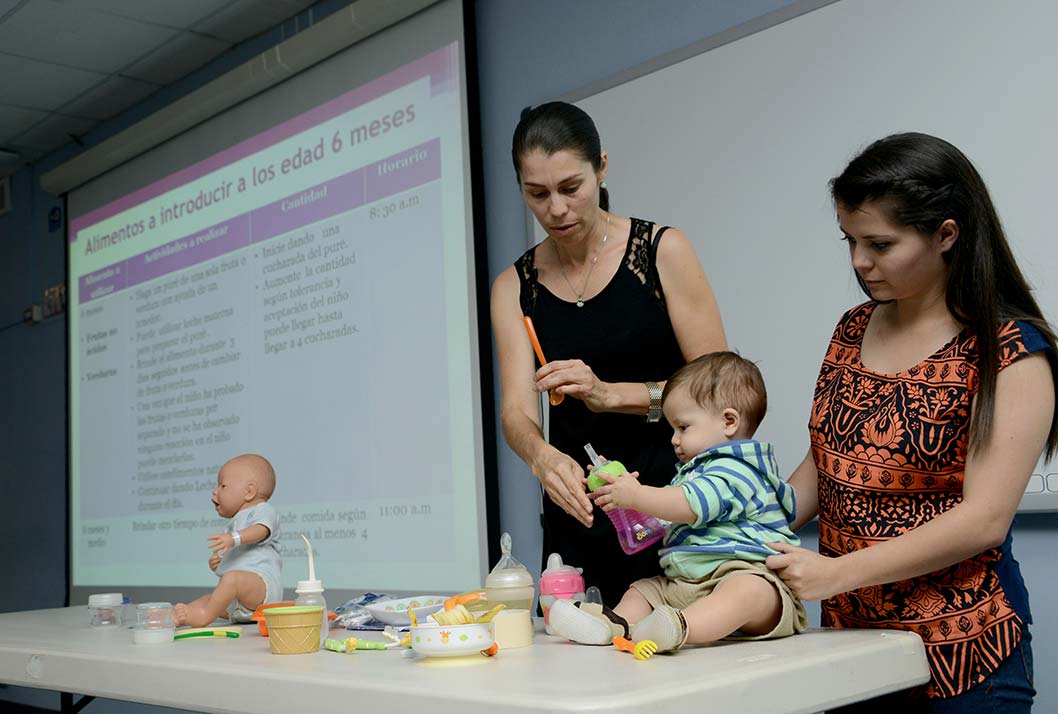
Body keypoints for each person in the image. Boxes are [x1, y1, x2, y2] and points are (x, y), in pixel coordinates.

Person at [765, 133, 1057, 711]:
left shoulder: (1010, 352)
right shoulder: (853, 327)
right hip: (852, 647)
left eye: (879, 244)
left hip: (962, 656)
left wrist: (834, 574)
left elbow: (983, 521)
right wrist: (725, 520)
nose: (858, 262)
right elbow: (824, 467)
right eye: (849, 241)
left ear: (946, 235)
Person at [491, 101, 727, 603]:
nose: (556, 209)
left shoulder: (663, 251)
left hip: (674, 504)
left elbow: (720, 395)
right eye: (537, 194)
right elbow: (515, 409)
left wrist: (610, 394)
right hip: (580, 508)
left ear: (601, 166)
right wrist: (541, 457)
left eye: (570, 188)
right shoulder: (515, 286)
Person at [548, 351, 807, 651]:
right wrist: (623, 500)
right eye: (672, 429)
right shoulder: (690, 476)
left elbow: (692, 504)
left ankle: (679, 627)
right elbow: (651, 530)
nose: (673, 439)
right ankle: (613, 625)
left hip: (742, 574)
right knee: (644, 591)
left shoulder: (740, 469)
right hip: (686, 584)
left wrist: (638, 494)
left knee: (749, 591)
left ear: (729, 421)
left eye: (683, 427)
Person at [172, 454, 283, 627]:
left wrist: (234, 538)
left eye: (223, 485)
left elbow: (260, 530)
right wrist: (221, 563)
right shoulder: (235, 522)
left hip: (261, 591)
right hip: (239, 602)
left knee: (231, 580)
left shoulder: (263, 510)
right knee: (210, 598)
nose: (215, 491)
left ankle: (202, 617)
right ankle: (180, 616)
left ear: (249, 492)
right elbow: (242, 557)